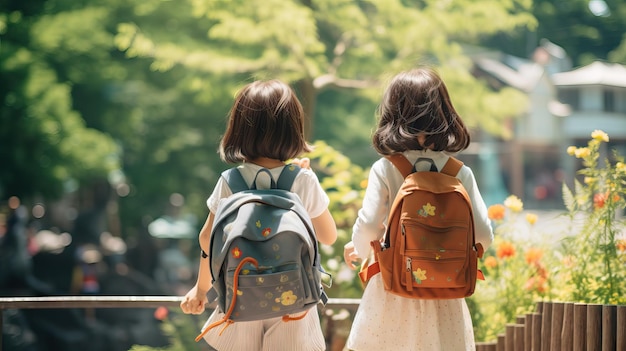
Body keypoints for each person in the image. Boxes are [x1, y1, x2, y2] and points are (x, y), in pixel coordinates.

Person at [180, 79, 338, 351]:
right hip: (293, 298)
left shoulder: (231, 180)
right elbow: (328, 236)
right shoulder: (302, 180)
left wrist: (201, 289)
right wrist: (306, 176)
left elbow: (208, 240)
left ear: (239, 130)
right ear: (293, 130)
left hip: (241, 295)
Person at [343, 67, 493, 350]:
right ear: (444, 112)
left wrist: (363, 252)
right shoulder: (459, 172)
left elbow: (367, 225)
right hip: (446, 294)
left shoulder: (386, 168)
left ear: (392, 113)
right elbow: (483, 235)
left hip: (393, 290)